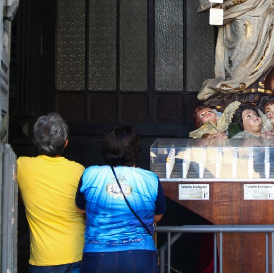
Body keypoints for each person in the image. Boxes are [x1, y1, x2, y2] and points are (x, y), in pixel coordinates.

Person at [76, 126, 165, 272]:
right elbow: (158, 216)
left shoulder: (90, 174)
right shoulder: (150, 178)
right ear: (136, 149)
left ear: (106, 149)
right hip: (140, 254)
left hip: (97, 253)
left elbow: (80, 209)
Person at [17, 113, 85, 273]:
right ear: (66, 143)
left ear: (34, 142)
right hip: (76, 253)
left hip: (42, 258)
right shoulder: (79, 170)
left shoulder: (21, 166)